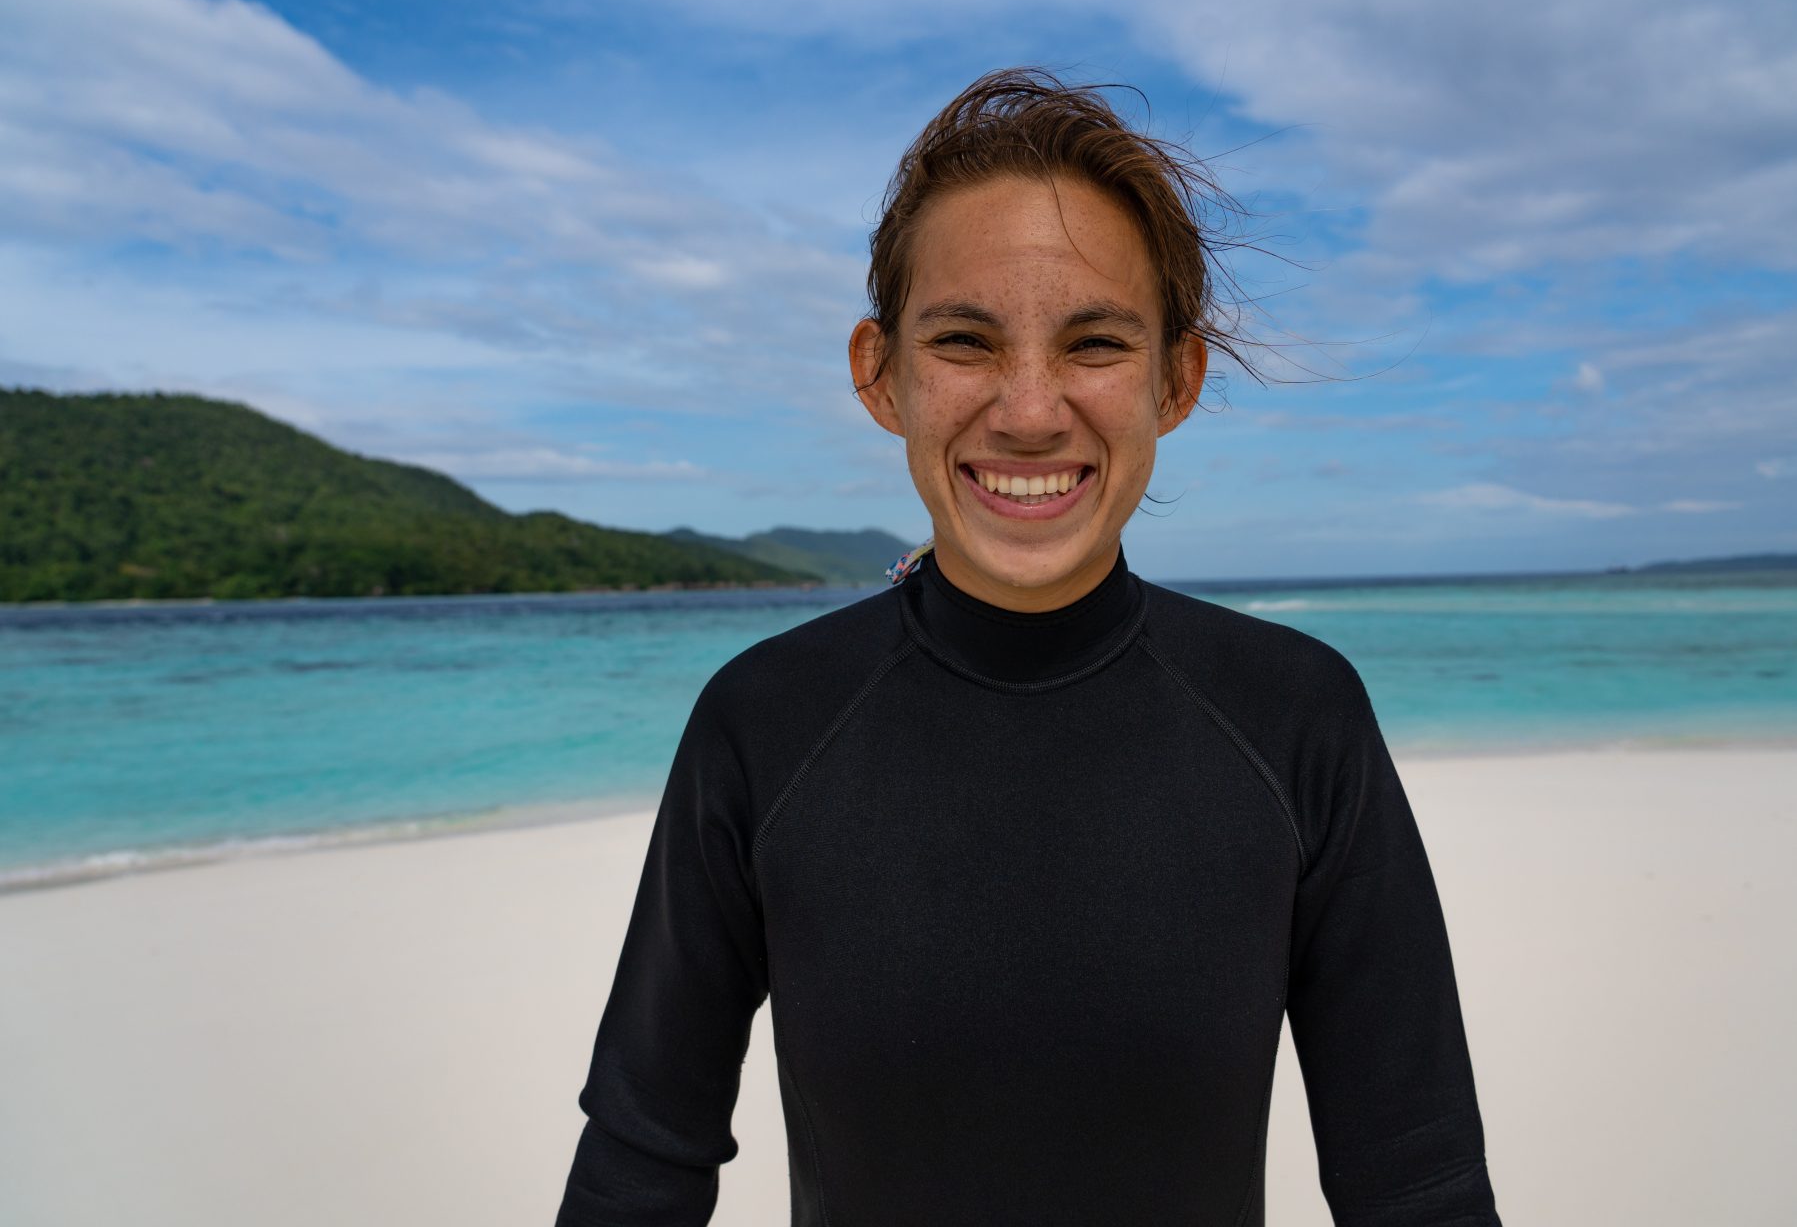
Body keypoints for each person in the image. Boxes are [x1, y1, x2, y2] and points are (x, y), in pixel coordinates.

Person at [554, 67, 1501, 1226]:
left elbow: (1419, 1186)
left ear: (1177, 377)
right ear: (880, 373)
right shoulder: (764, 722)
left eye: (1096, 342)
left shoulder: (1296, 717)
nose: (1031, 410)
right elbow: (639, 1165)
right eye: (965, 339)